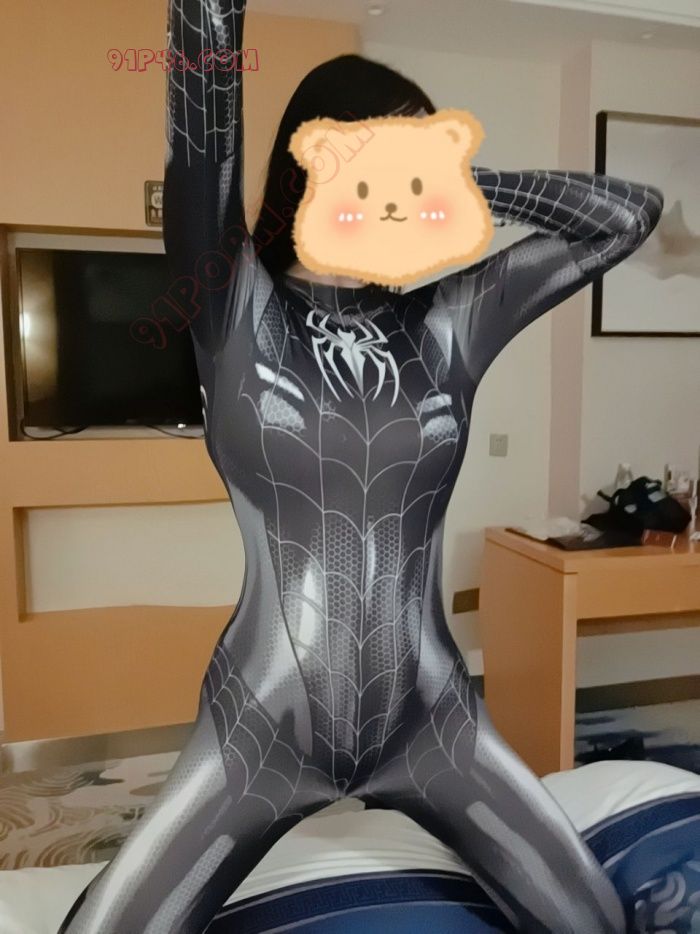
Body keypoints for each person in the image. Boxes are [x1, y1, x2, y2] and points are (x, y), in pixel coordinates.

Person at [58, 0, 663, 931]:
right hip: (261, 727)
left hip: (433, 723)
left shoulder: (448, 322)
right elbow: (202, 116)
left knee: (597, 924)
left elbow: (627, 217)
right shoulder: (231, 302)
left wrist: (469, 181)